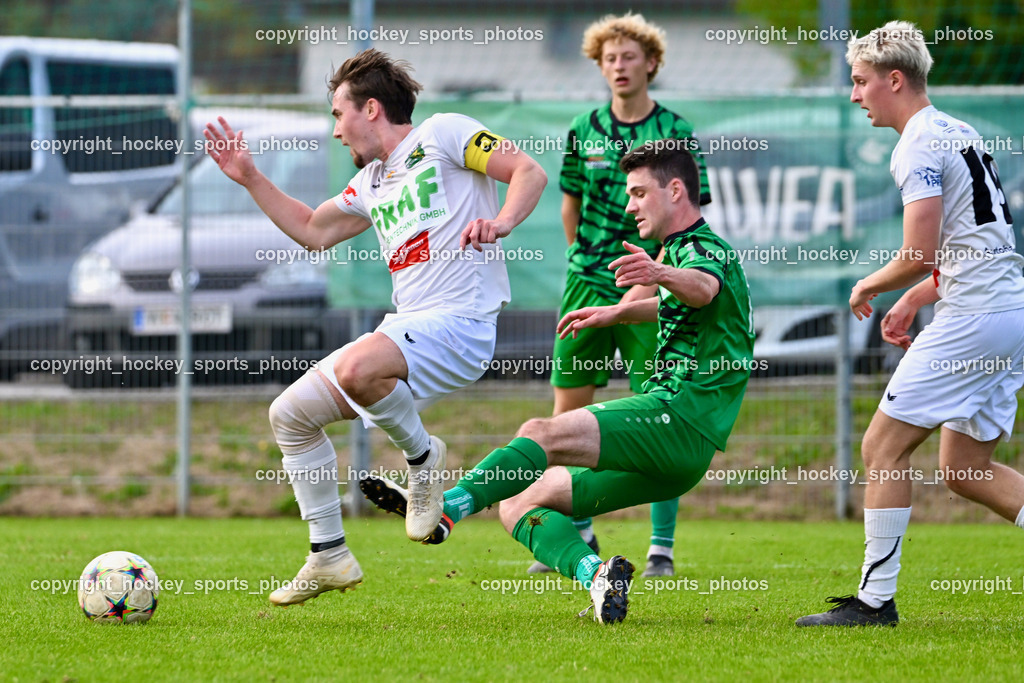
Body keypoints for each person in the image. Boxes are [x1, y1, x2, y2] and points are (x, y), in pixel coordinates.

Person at [204, 48, 547, 606]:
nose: (336, 130)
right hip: (410, 327)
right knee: (289, 416)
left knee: (359, 366)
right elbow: (313, 229)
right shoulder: (371, 182)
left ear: (369, 109)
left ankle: (422, 459)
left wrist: (502, 221)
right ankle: (329, 553)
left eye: (337, 115)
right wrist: (249, 177)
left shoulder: (445, 133)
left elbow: (528, 171)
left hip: (462, 324)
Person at [361, 141, 754, 623]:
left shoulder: (699, 248)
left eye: (638, 193)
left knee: (538, 432)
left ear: (675, 190)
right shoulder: (683, 251)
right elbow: (695, 304)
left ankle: (445, 510)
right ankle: (598, 576)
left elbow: (702, 288)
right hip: (681, 458)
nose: (628, 206)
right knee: (518, 501)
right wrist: (622, 309)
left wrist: (658, 272)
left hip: (678, 416)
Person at [796, 20, 1024, 627]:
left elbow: (920, 250)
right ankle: (875, 599)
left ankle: (875, 603)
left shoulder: (917, 143)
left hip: (974, 320)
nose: (854, 95)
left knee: (881, 447)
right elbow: (972, 248)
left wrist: (872, 284)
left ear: (894, 80)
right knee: (965, 469)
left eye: (860, 82)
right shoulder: (961, 131)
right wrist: (913, 298)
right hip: (1007, 313)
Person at [537, 11, 713, 578]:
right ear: (600, 65)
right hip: (586, 280)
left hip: (651, 283)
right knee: (567, 413)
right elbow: (569, 203)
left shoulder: (675, 130)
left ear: (651, 65)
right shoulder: (582, 127)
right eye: (609, 58)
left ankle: (660, 547)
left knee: (657, 412)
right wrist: (583, 260)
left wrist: (647, 275)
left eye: (629, 57)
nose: (618, 66)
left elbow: (689, 213)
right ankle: (577, 535)